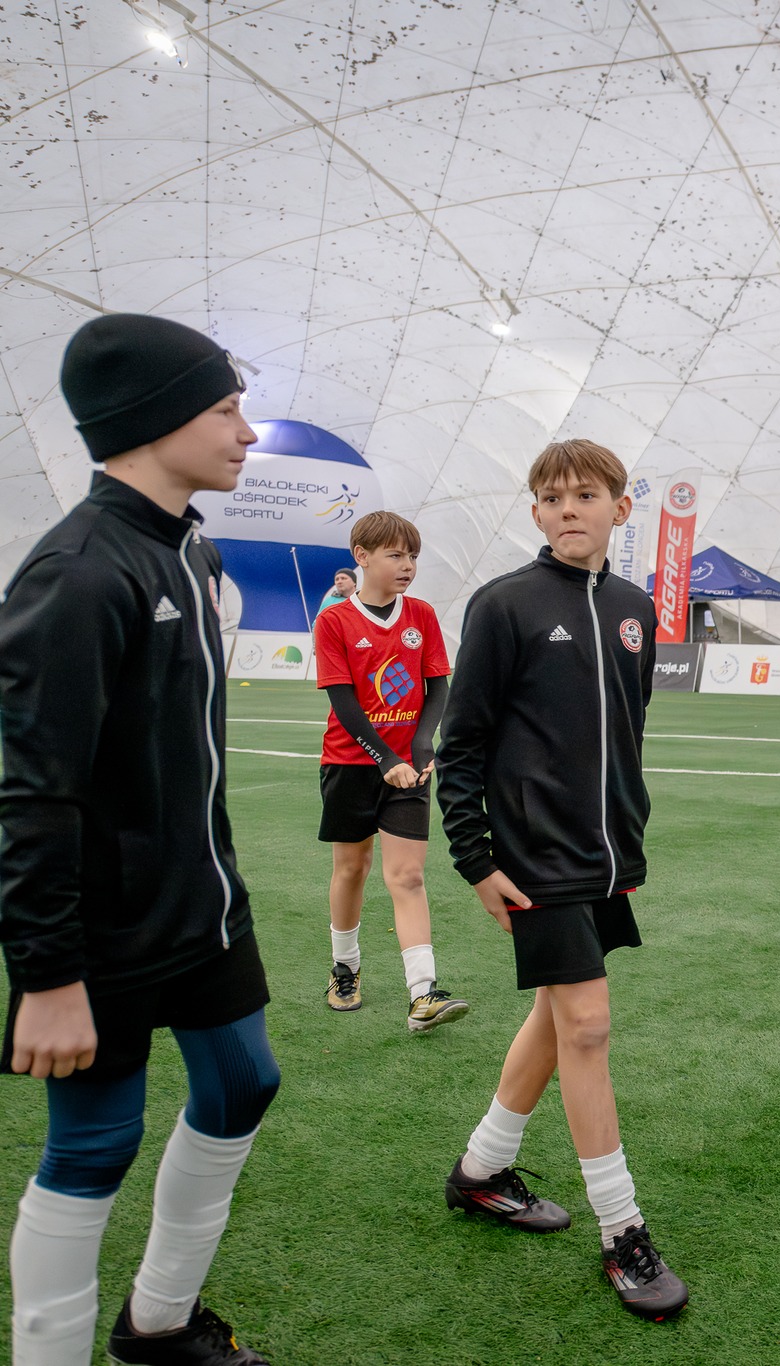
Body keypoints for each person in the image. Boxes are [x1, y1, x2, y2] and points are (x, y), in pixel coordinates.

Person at [3, 313, 281, 1366]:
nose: (245, 433)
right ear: (153, 418)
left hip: (205, 911)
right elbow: (33, 794)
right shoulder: (76, 573)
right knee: (92, 1146)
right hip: (104, 936)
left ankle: (158, 1323)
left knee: (245, 1083)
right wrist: (47, 977)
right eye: (225, 410)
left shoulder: (190, 548)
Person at [435, 438, 687, 1322]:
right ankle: (623, 1232)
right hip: (533, 857)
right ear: (536, 512)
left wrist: (626, 833)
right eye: (550, 497)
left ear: (621, 506)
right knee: (586, 1023)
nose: (567, 508)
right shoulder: (503, 604)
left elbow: (628, 729)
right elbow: (461, 745)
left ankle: (480, 1170)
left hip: (606, 857)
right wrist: (476, 859)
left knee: (555, 1015)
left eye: (584, 494)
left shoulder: (634, 607)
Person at [313, 510, 466, 1030]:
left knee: (408, 876)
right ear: (362, 556)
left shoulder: (421, 615)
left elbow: (438, 685)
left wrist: (421, 745)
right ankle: (345, 968)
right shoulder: (335, 620)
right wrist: (385, 759)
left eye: (413, 556)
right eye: (395, 555)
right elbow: (343, 701)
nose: (407, 566)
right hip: (350, 765)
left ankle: (423, 993)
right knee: (351, 869)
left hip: (409, 771)